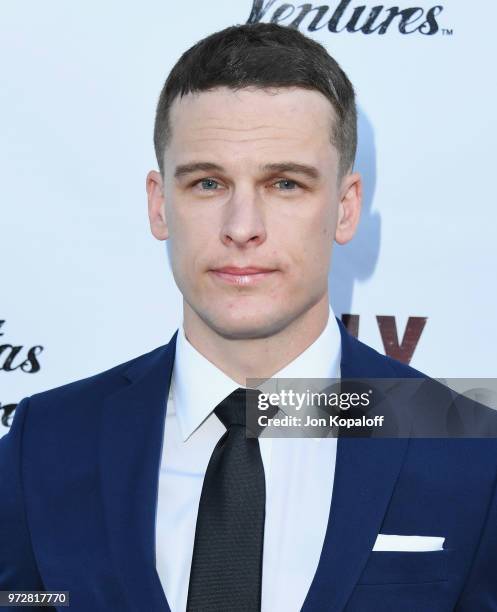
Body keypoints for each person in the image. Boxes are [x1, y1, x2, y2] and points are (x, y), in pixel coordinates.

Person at [1, 22, 496, 612]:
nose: (242, 227)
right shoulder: (47, 444)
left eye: (284, 183)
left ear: (345, 208)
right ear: (160, 204)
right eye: (208, 183)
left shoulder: (470, 451)